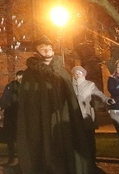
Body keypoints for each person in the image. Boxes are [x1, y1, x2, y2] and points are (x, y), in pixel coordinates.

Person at [16, 36, 92, 173]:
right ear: (36, 53)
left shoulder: (61, 70)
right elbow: (28, 99)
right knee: (45, 144)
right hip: (40, 117)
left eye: (49, 48)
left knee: (62, 141)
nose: (47, 51)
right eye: (43, 49)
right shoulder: (30, 74)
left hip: (62, 115)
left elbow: (69, 96)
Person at [71, 65, 114, 166]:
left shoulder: (89, 85)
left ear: (84, 74)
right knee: (77, 139)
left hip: (86, 115)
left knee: (89, 139)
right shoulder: (70, 85)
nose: (77, 74)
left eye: (80, 72)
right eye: (76, 73)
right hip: (74, 117)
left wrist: (107, 99)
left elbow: (98, 93)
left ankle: (91, 160)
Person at [0, 69, 23, 166]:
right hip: (11, 115)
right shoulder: (10, 86)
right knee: (10, 138)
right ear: (16, 77)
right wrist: (0, 106)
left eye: (22, 77)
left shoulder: (27, 87)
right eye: (19, 76)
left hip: (21, 115)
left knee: (20, 138)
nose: (20, 78)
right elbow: (5, 98)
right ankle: (11, 158)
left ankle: (21, 159)